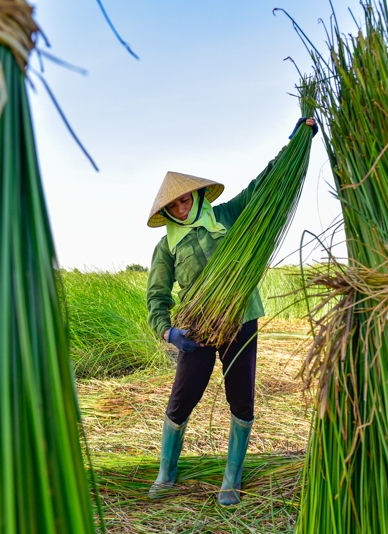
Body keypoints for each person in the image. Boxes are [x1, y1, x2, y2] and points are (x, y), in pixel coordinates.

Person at [145, 117, 317, 506]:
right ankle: (166, 472)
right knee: (182, 397)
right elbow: (157, 295)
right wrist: (168, 332)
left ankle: (231, 478)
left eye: (185, 199)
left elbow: (261, 188)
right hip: (197, 328)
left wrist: (292, 146)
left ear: (199, 196)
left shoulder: (226, 216)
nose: (181, 207)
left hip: (241, 319)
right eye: (173, 205)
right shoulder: (166, 247)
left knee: (241, 398)